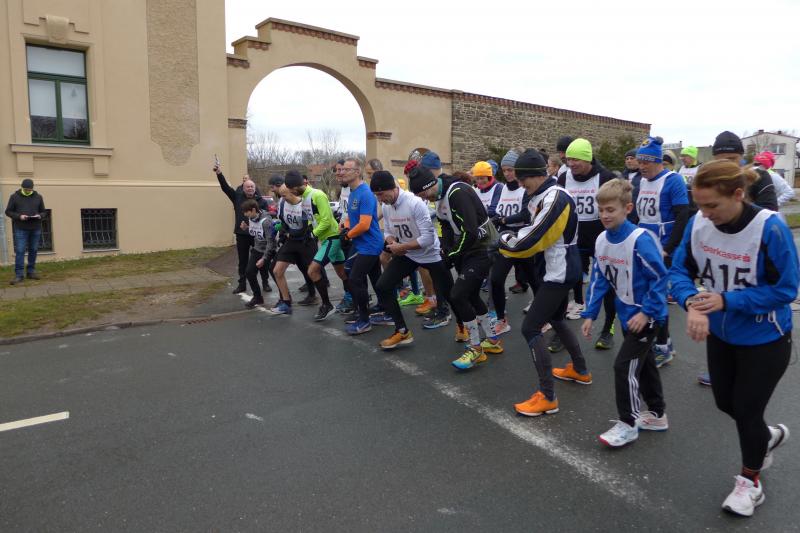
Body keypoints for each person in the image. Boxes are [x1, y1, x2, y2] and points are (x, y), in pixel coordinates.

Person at [669, 159, 796, 517]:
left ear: (738, 194)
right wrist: (692, 303)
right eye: (699, 205)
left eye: (712, 205)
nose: (705, 214)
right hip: (722, 334)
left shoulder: (769, 228)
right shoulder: (699, 223)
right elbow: (678, 271)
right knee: (726, 404)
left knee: (746, 411)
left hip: (765, 337)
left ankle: (750, 483)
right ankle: (767, 437)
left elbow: (786, 289)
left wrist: (727, 300)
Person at [498, 149, 591, 416]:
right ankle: (580, 370)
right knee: (557, 319)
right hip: (556, 267)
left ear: (538, 175)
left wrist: (502, 240)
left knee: (530, 328)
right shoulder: (540, 194)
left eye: (523, 178)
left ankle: (548, 396)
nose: (520, 183)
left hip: (559, 270)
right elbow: (530, 225)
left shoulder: (555, 197)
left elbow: (530, 240)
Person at [581, 179, 669, 447]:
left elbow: (660, 278)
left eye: (611, 210)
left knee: (624, 366)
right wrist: (590, 313)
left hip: (646, 317)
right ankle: (657, 414)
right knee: (644, 364)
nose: (605, 215)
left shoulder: (640, 240)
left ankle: (628, 424)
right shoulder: (601, 240)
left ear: (627, 209)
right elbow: (599, 278)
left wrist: (646, 313)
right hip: (626, 313)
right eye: (601, 210)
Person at [409, 164, 502, 369]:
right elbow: (445, 225)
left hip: (483, 248)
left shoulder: (457, 193)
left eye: (424, 194)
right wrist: (446, 249)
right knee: (471, 295)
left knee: (458, 295)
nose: (425, 199)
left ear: (430, 184)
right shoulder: (439, 195)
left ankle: (476, 348)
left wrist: (451, 255)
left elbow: (470, 232)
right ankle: (493, 340)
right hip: (467, 249)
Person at [370, 171, 457, 348]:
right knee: (383, 286)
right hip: (409, 254)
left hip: (431, 254)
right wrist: (392, 242)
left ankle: (463, 327)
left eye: (381, 194)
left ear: (393, 188)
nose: (380, 199)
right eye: (376, 196)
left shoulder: (414, 203)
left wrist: (402, 247)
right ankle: (402, 331)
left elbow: (427, 238)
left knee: (452, 294)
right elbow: (388, 231)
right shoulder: (386, 206)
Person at [556, 138, 617, 351]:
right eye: (569, 159)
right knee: (564, 284)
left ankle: (608, 328)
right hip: (573, 240)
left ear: (588, 158)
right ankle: (560, 331)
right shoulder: (563, 177)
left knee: (607, 285)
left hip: (601, 240)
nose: (571, 164)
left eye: (576, 160)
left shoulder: (605, 177)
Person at [634, 136, 690, 366]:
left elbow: (683, 215)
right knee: (645, 295)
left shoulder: (673, 180)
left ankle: (663, 346)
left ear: (658, 161)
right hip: (644, 245)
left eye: (646, 162)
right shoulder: (641, 181)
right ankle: (660, 341)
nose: (642, 166)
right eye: (640, 161)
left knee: (655, 297)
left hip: (663, 248)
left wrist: (668, 248)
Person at [284, 170, 347, 320]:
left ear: (295, 187)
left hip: (332, 237)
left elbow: (326, 220)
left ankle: (327, 304)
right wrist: (307, 231)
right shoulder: (304, 198)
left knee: (312, 271)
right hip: (325, 239)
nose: (291, 193)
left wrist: (313, 234)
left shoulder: (317, 195)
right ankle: (358, 300)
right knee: (343, 273)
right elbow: (313, 219)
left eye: (291, 190)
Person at [339, 158, 385, 335]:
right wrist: (345, 227)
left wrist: (348, 235)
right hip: (361, 244)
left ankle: (364, 320)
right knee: (375, 279)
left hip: (370, 245)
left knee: (355, 278)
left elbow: (365, 224)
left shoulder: (365, 193)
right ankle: (384, 310)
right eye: (342, 170)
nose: (342, 172)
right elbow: (353, 217)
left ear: (357, 172)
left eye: (346, 170)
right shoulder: (353, 193)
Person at [489, 149, 530, 334]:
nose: (507, 174)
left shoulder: (525, 188)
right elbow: (497, 211)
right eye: (504, 170)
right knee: (496, 279)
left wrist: (504, 220)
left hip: (523, 239)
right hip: (506, 240)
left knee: (535, 280)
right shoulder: (503, 188)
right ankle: (501, 319)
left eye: (510, 170)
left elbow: (525, 214)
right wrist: (496, 219)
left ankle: (546, 318)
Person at [214, 164, 269, 294]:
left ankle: (265, 282)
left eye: (252, 187)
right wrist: (219, 174)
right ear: (243, 188)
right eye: (247, 187)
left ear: (255, 188)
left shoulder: (262, 201)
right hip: (242, 234)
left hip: (257, 236)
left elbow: (267, 219)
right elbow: (225, 188)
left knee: (261, 259)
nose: (250, 188)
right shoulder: (237, 198)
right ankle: (242, 284)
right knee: (243, 261)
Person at [269, 184, 317, 315]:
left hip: (306, 241)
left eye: (284, 195)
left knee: (312, 272)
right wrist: (281, 229)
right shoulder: (283, 204)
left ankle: (322, 300)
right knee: (276, 270)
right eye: (281, 196)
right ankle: (286, 302)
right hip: (291, 241)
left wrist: (289, 232)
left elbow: (305, 228)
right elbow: (284, 222)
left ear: (293, 193)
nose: (282, 198)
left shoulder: (304, 205)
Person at [712, 131, 778, 211]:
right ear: (714, 160)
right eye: (720, 160)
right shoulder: (707, 179)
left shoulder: (758, 177)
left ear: (741, 157)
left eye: (732, 159)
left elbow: (770, 210)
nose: (727, 164)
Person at [5, 178, 47, 285]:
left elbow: (44, 212)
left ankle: (31, 272)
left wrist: (40, 215)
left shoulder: (38, 197)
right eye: (26, 189)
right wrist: (19, 216)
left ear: (32, 188)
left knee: (33, 250)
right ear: (22, 188)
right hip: (21, 228)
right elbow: (8, 211)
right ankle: (19, 275)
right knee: (20, 251)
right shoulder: (14, 197)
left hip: (35, 228)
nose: (28, 191)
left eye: (30, 190)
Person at [240, 199, 276, 308]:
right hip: (257, 249)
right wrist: (246, 228)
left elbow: (271, 242)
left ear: (253, 210)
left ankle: (285, 297)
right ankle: (258, 297)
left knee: (276, 273)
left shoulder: (266, 221)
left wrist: (264, 258)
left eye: (246, 212)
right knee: (249, 272)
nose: (245, 215)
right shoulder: (251, 218)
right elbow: (255, 232)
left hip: (269, 250)